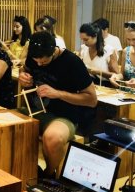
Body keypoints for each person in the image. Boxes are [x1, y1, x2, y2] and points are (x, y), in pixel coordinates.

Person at [19, 31, 97, 178]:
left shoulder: (72, 62)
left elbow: (92, 100)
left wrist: (58, 93)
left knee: (52, 137)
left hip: (63, 116)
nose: (39, 64)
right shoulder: (34, 56)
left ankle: (48, 175)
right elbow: (25, 69)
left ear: (53, 51)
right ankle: (20, 172)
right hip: (34, 110)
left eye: (43, 62)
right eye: (36, 61)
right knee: (1, 124)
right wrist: (23, 76)